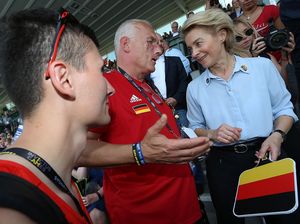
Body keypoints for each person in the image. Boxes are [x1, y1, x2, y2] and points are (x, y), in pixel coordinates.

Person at [181, 9, 298, 224]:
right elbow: (195, 126)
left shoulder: (261, 68)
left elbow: (284, 109)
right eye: (190, 48)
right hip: (223, 165)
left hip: (267, 154)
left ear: (222, 35)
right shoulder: (194, 88)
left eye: (198, 43)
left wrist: (277, 135)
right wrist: (212, 133)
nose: (194, 53)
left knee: (283, 219)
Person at [0, 7, 115, 224]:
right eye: (101, 71)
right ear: (64, 79)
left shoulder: (58, 180)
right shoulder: (11, 206)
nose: (110, 88)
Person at [89, 19, 210, 224]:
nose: (159, 49)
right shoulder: (105, 88)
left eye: (158, 43)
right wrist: (139, 152)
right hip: (146, 214)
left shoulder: (147, 85)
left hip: (187, 208)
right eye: (150, 42)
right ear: (126, 45)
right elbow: (79, 150)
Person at [149, 33, 190, 128]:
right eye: (156, 41)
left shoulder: (175, 61)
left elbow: (184, 82)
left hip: (178, 108)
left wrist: (176, 98)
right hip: (157, 112)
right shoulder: (146, 66)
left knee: (185, 137)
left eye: (161, 41)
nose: (159, 43)